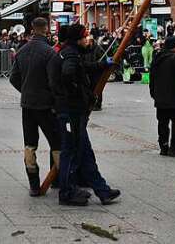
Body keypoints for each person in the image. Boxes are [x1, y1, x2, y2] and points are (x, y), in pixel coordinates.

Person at [50, 23, 119, 206]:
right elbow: (69, 74)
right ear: (77, 39)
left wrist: (103, 64)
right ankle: (67, 192)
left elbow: (83, 67)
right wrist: (77, 94)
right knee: (70, 152)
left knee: (85, 152)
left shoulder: (69, 52)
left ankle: (102, 190)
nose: (87, 39)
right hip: (70, 111)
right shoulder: (71, 54)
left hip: (71, 110)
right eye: (84, 37)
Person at [9, 16, 61, 196]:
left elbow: (13, 77)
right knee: (57, 142)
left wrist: (25, 90)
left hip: (28, 104)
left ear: (32, 29)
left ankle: (34, 184)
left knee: (30, 144)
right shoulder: (50, 52)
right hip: (46, 105)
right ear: (46, 29)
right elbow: (54, 81)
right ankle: (60, 180)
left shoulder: (22, 51)